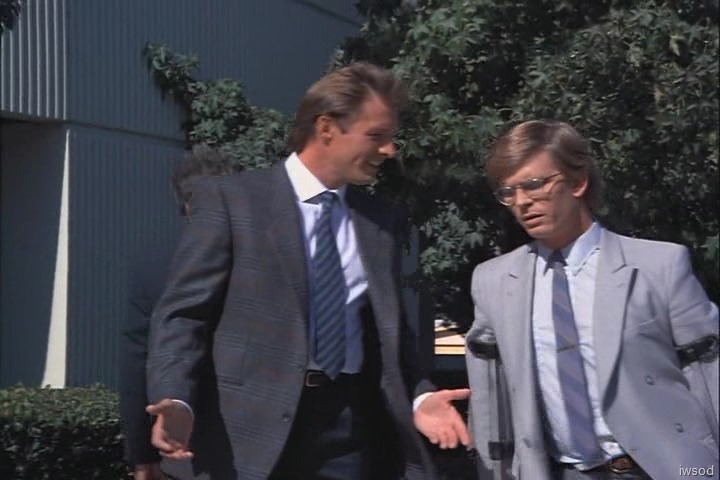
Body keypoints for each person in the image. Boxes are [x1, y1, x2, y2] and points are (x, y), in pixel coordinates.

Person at [146, 62, 470, 480]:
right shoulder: (232, 202)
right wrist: (176, 397)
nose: (389, 150)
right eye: (376, 136)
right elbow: (183, 315)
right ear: (327, 128)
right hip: (246, 437)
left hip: (345, 431)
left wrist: (420, 398)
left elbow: (389, 335)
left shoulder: (379, 221)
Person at [465, 120, 718, 479]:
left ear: (578, 182)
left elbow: (709, 374)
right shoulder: (493, 281)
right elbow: (490, 392)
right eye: (509, 192)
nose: (521, 202)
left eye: (534, 185)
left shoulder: (658, 265)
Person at [119, 146, 235, 480]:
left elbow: (137, 361)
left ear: (181, 199)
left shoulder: (154, 263)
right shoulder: (260, 256)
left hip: (181, 447)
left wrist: (142, 456)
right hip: (263, 440)